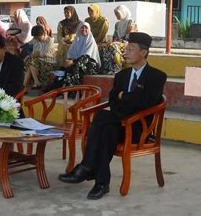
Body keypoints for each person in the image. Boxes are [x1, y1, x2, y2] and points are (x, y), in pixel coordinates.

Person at [58, 32, 167, 200]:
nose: (125, 53)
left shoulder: (157, 76)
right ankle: (101, 183)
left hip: (139, 128)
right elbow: (114, 101)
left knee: (102, 116)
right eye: (126, 49)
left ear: (143, 52)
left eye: (130, 50)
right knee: (107, 130)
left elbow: (147, 103)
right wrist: (129, 99)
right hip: (117, 123)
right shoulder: (121, 75)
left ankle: (86, 167)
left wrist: (125, 97)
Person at [61, 22, 100, 87]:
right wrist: (69, 60)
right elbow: (71, 54)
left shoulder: (90, 40)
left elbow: (86, 57)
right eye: (82, 27)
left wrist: (73, 62)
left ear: (89, 29)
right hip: (78, 62)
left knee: (74, 69)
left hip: (90, 64)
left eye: (86, 28)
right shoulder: (77, 40)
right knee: (67, 69)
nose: (84, 29)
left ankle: (75, 91)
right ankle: (68, 91)